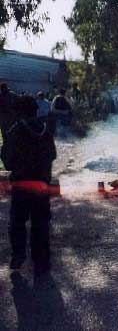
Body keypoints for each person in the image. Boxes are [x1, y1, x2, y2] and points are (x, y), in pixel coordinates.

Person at [1, 95, 56, 275]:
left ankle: (18, 256)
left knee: (17, 223)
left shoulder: (15, 131)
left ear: (19, 112)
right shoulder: (45, 131)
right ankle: (41, 261)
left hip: (22, 185)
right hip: (41, 185)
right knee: (40, 224)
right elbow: (52, 156)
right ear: (35, 110)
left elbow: (8, 163)